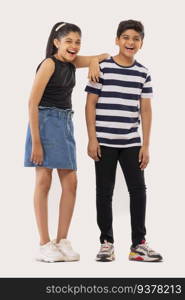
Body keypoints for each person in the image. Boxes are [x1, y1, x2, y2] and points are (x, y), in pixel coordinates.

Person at [24, 21, 109, 263]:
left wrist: (92, 61)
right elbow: (32, 103)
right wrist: (37, 143)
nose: (74, 46)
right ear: (56, 42)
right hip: (45, 121)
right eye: (69, 41)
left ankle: (62, 240)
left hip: (65, 123)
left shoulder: (72, 61)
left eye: (78, 41)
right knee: (43, 180)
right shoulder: (49, 64)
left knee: (70, 182)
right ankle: (43, 243)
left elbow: (103, 56)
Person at [85, 20, 163, 262]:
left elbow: (146, 111)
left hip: (131, 142)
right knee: (104, 192)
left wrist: (146, 145)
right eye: (126, 37)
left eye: (136, 38)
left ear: (141, 43)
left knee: (138, 190)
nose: (131, 42)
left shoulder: (143, 72)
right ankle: (106, 243)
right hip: (104, 142)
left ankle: (138, 244)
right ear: (117, 40)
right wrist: (92, 139)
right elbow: (90, 104)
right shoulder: (102, 68)